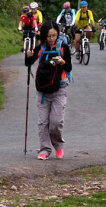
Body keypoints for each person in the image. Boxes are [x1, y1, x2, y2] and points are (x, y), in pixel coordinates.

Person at [25, 21, 72, 161]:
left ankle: (58, 146)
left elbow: (69, 67)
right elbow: (28, 63)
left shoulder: (63, 47)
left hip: (60, 89)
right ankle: (44, 149)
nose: (52, 39)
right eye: (49, 36)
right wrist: (28, 56)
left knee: (56, 122)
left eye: (54, 35)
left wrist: (62, 62)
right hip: (43, 91)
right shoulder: (41, 47)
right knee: (43, 123)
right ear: (44, 36)